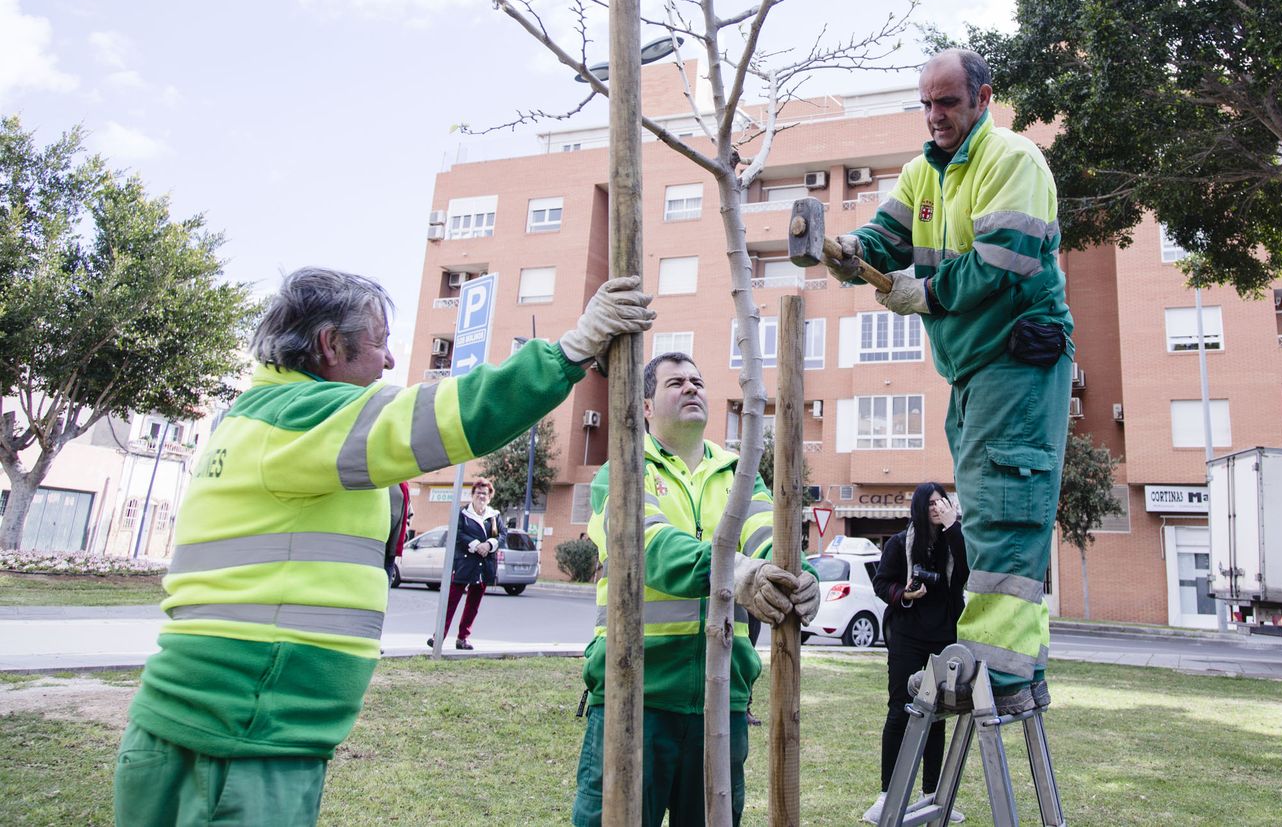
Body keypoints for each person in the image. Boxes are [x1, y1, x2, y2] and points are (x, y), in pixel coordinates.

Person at [112, 266, 653, 827]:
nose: (390, 361)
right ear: (329, 344)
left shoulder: (264, 418)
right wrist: (570, 351)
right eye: (380, 342)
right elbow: (441, 417)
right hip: (240, 739)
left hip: (223, 727)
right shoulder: (297, 418)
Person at [831, 48, 1073, 712]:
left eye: (948, 102)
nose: (935, 116)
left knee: (1002, 514)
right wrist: (853, 252)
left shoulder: (1012, 161)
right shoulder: (921, 175)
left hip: (1016, 360)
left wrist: (925, 295)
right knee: (990, 511)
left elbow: (998, 264)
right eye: (926, 104)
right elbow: (884, 239)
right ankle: (1011, 667)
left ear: (982, 97)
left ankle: (993, 670)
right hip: (972, 370)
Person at [572, 352, 820, 827]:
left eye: (698, 380)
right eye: (675, 382)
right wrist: (735, 574)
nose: (692, 388)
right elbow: (645, 545)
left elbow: (770, 538)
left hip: (722, 701)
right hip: (635, 697)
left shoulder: (739, 474)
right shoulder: (622, 468)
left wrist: (801, 576)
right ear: (645, 407)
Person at [864, 482, 969, 825]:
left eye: (943, 502)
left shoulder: (954, 541)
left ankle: (933, 795)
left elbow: (966, 572)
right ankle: (886, 796)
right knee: (900, 710)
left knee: (936, 714)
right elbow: (881, 583)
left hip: (944, 637)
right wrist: (905, 595)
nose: (938, 508)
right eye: (931, 504)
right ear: (919, 511)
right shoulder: (899, 543)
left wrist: (954, 526)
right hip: (907, 635)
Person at [428, 480, 503, 651]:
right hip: (464, 563)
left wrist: (489, 544)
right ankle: (438, 636)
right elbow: (458, 533)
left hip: (484, 566)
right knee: (451, 601)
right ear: (473, 495)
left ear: (490, 497)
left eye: (485, 493)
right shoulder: (462, 513)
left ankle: (463, 638)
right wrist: (476, 544)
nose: (481, 496)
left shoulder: (494, 516)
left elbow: (502, 535)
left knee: (473, 605)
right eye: (478, 492)